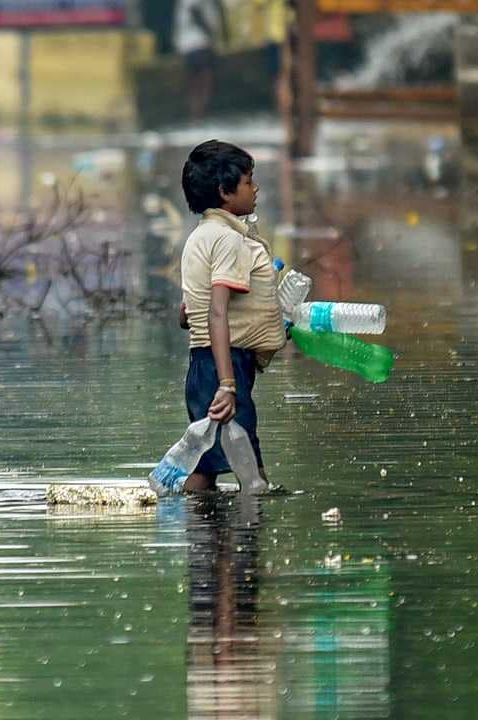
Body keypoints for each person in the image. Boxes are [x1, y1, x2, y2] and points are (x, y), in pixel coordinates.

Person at [178, 140, 284, 492]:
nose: (255, 189)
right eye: (248, 181)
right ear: (225, 191)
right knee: (251, 474)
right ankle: (238, 543)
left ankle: (203, 541)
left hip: (204, 363)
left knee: (207, 466)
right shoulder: (227, 240)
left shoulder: (200, 237)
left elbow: (187, 313)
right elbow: (217, 311)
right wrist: (227, 383)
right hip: (222, 364)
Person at [175, 0, 227, 121]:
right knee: (203, 77)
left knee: (196, 78)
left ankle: (197, 112)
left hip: (190, 43)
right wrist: (211, 33)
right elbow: (195, 11)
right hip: (198, 42)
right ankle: (200, 112)